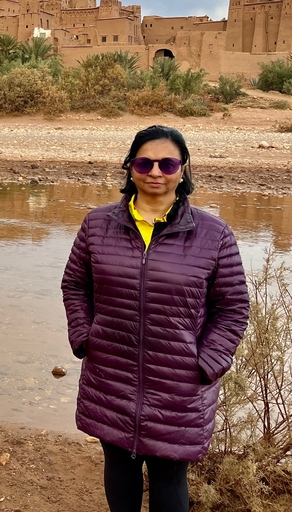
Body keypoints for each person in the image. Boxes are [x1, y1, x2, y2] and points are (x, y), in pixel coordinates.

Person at [61, 125, 249, 512]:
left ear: (183, 170)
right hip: (110, 373)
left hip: (179, 383)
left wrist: (206, 364)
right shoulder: (98, 225)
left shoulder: (213, 234)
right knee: (119, 467)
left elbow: (232, 308)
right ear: (130, 167)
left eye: (168, 163)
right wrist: (84, 337)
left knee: (169, 476)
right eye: (144, 162)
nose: (156, 172)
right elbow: (75, 285)